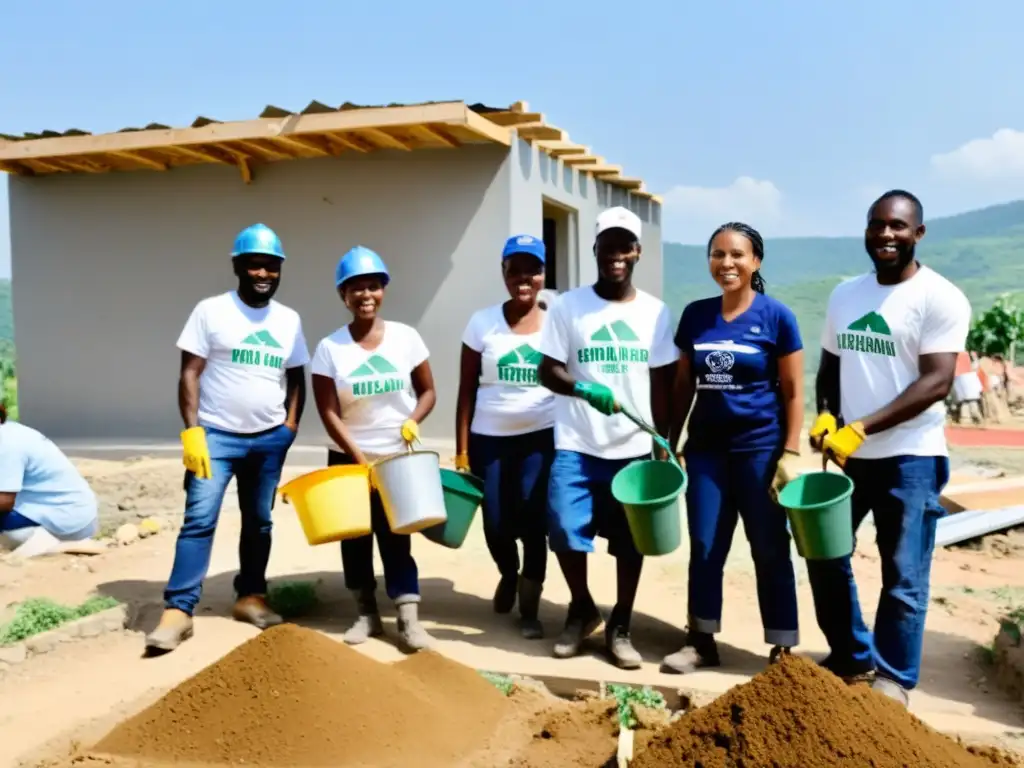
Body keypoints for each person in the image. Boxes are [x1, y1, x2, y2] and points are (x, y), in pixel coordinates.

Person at [808, 190, 971, 707]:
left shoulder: (940, 297)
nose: (885, 235)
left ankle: (894, 678)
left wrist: (862, 426)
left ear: (918, 233)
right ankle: (852, 655)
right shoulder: (845, 296)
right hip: (850, 461)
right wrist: (830, 416)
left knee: (903, 574)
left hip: (912, 457)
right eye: (876, 225)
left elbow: (937, 381)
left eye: (897, 226)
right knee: (824, 552)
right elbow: (830, 368)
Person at [145, 223, 309, 653]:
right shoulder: (211, 311)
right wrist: (193, 432)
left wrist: (289, 429)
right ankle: (179, 611)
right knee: (199, 520)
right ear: (238, 266)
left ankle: (251, 597)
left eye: (272, 267)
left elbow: (296, 378)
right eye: (256, 264)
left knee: (259, 522)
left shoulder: (288, 319)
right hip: (216, 437)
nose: (264, 274)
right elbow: (190, 373)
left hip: (268, 438)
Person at [538, 206, 678, 669]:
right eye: (607, 245)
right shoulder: (568, 307)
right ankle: (581, 608)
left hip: (634, 448)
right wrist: (581, 387)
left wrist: (664, 440)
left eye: (624, 246)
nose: (615, 254)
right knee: (562, 527)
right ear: (594, 249)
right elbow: (548, 370)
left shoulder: (655, 313)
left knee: (629, 542)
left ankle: (621, 623)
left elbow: (662, 382)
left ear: (636, 251)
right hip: (577, 443)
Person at [662, 222, 804, 673]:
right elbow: (684, 385)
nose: (727, 263)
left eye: (737, 254)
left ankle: (782, 648)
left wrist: (791, 452)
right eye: (718, 254)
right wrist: (670, 440)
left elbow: (794, 390)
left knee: (768, 546)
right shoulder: (695, 315)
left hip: (760, 451)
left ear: (755, 261)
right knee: (705, 546)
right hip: (705, 452)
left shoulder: (777, 317)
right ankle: (700, 640)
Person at [310, 246, 437, 653]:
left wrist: (414, 418)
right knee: (356, 537)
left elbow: (429, 391)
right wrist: (359, 459)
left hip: (397, 454)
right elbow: (328, 412)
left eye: (373, 286)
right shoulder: (330, 348)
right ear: (342, 296)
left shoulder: (406, 338)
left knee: (397, 535)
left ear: (383, 290)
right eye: (355, 289)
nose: (365, 295)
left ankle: (408, 620)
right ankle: (366, 614)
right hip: (348, 458)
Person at [455, 234, 555, 639]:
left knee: (534, 523)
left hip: (540, 438)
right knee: (495, 522)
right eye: (515, 269)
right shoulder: (482, 322)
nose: (524, 277)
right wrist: (462, 449)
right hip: (489, 439)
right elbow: (466, 389)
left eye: (532, 269)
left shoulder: (555, 324)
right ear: (504, 273)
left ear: (544, 274)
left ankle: (529, 611)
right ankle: (508, 573)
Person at [0, 402, 100, 559]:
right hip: (74, 515)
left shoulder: (7, 443)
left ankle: (50, 546)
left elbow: (4, 501)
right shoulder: (10, 431)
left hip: (64, 521)